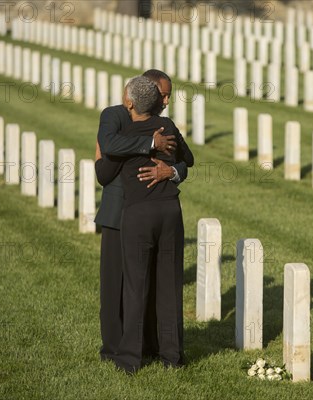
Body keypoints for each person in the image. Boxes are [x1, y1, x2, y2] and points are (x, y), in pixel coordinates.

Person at [96, 76, 193, 372]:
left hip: (139, 212)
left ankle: (129, 358)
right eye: (162, 96)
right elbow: (188, 155)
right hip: (165, 210)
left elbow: (105, 164)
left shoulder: (131, 129)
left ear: (132, 100)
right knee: (162, 286)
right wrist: (152, 143)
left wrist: (170, 170)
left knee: (137, 288)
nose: (166, 102)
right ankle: (170, 357)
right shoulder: (136, 122)